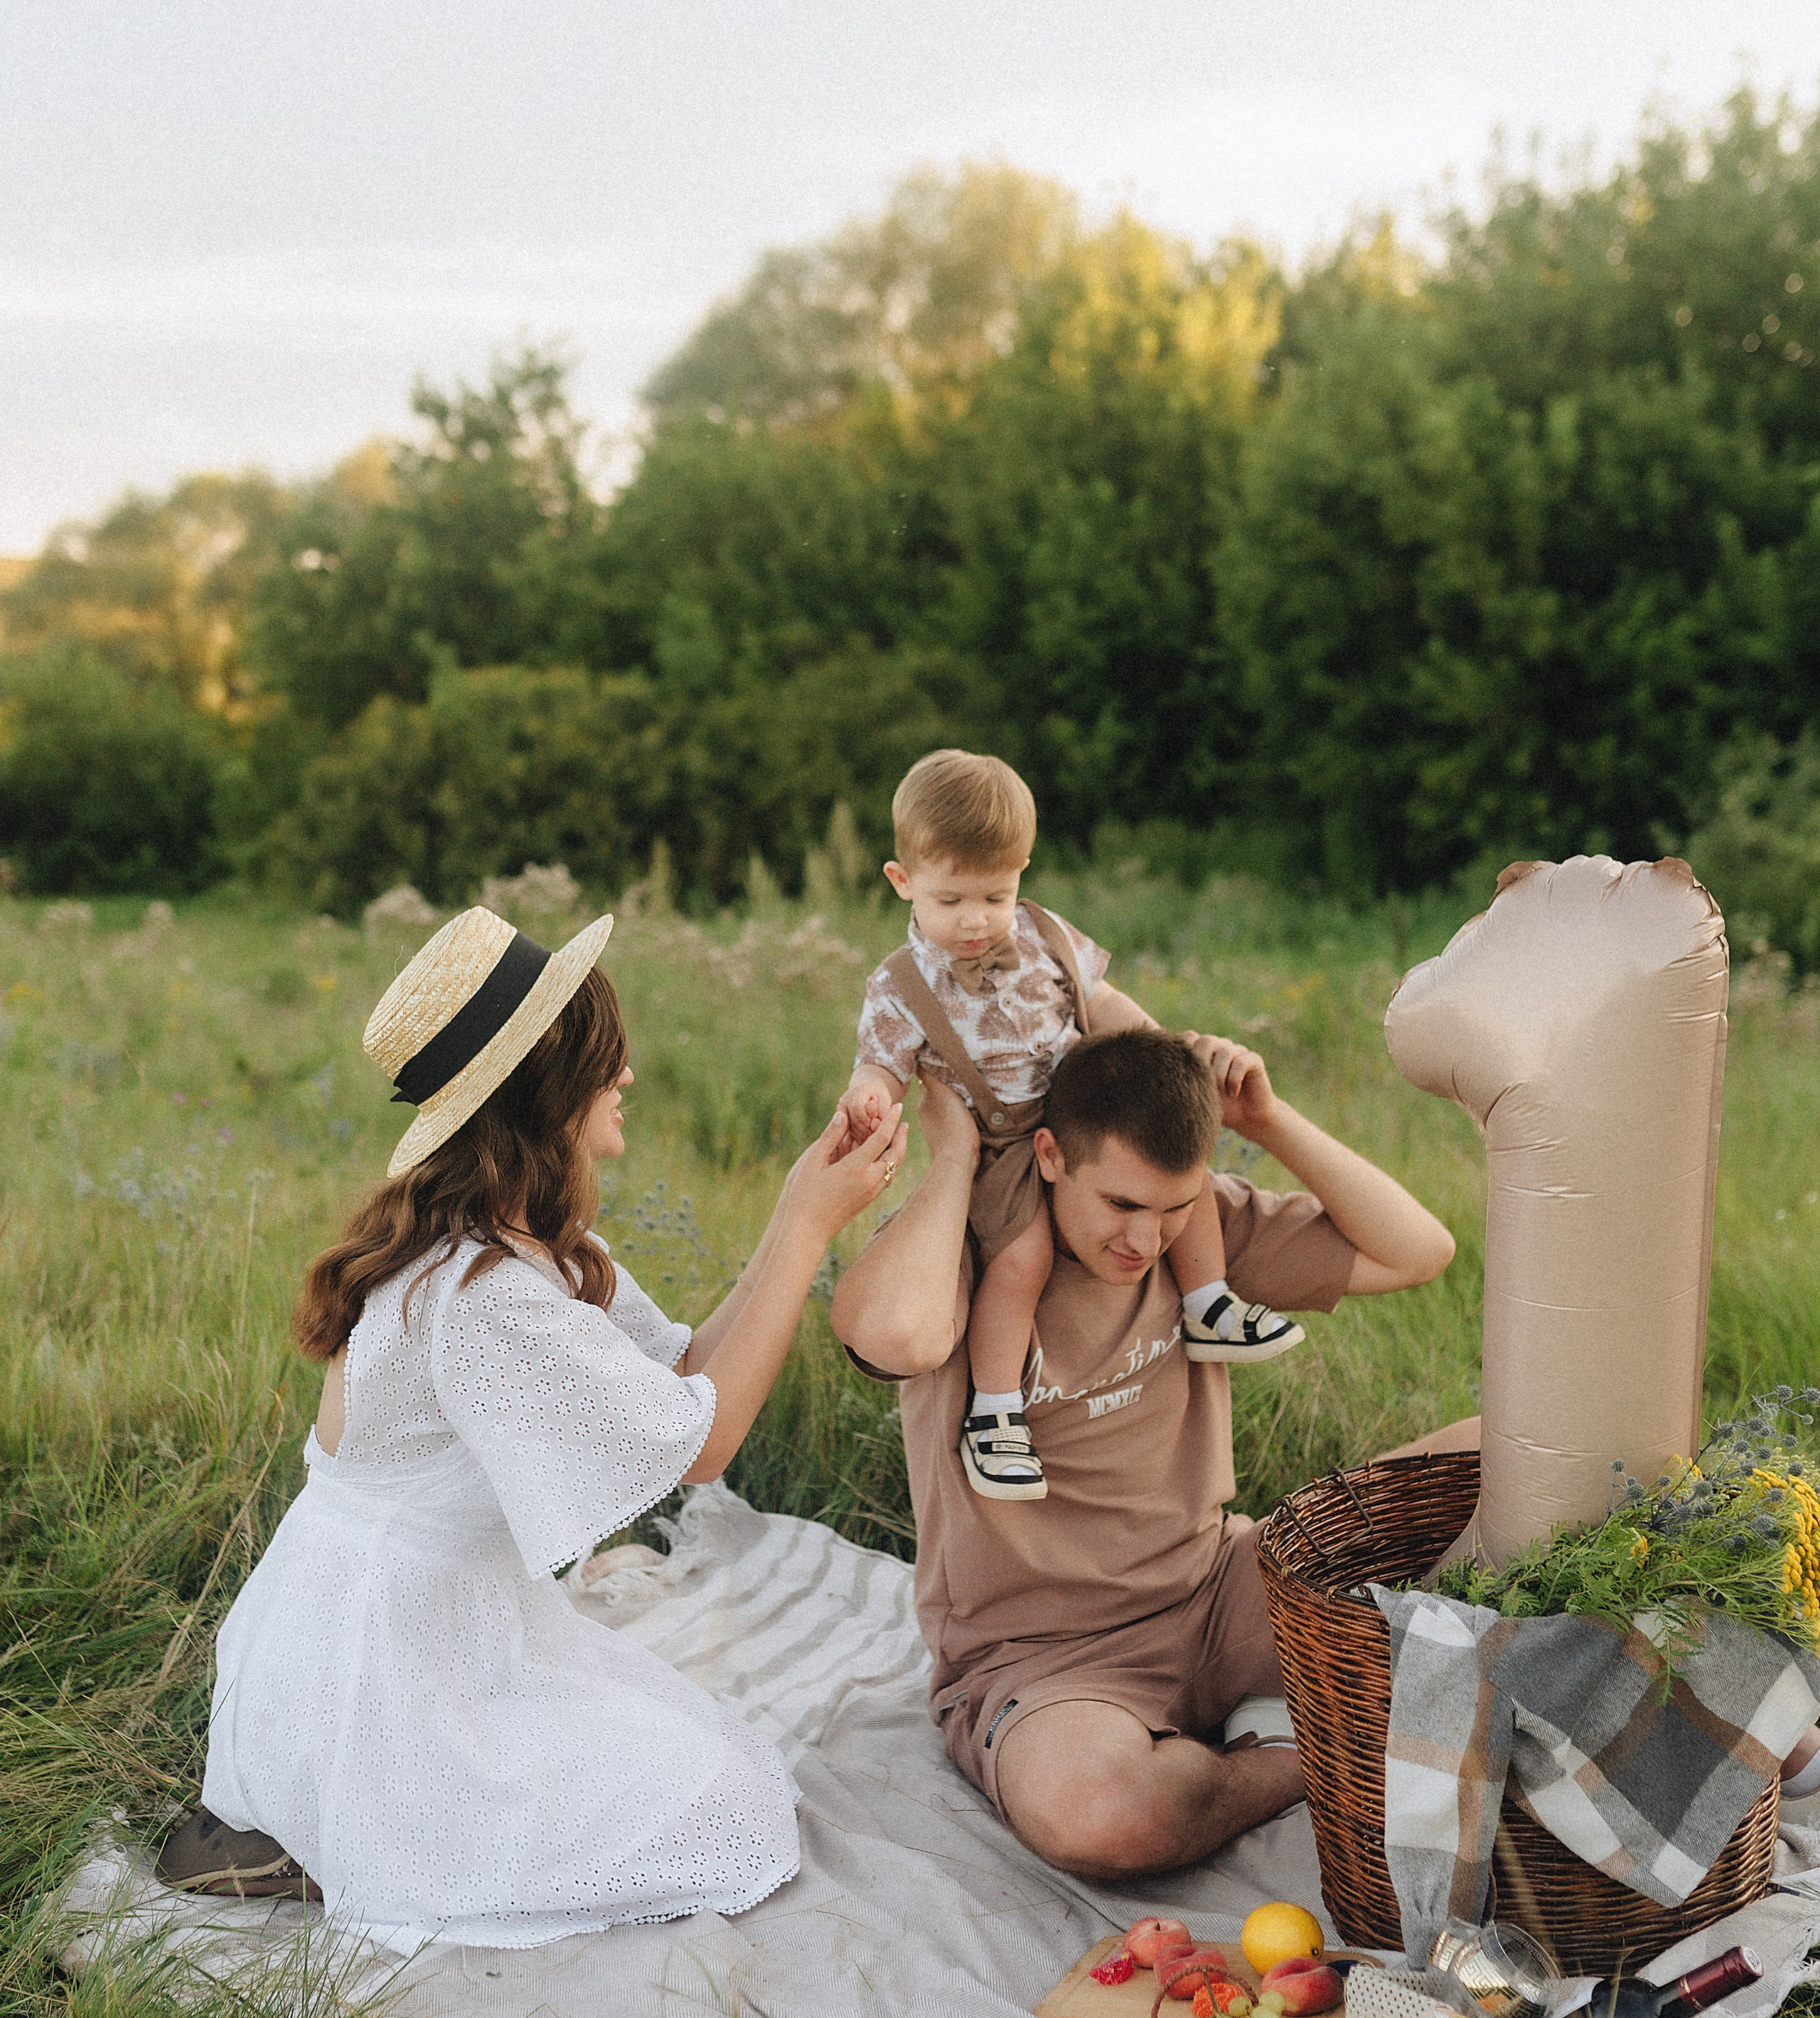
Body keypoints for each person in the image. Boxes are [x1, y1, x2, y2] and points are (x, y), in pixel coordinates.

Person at [156, 903, 906, 1947]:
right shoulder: (479, 1296)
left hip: (421, 1623)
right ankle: (322, 1831)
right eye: (607, 1058)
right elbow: (704, 1446)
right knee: (727, 1812)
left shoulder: (515, 1242)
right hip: (373, 1667)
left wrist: (792, 1209)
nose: (630, 1077)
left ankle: (316, 1819)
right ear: (545, 1092)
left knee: (706, 1757)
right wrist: (813, 1229)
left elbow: (681, 1369)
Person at [830, 1024, 1455, 1881]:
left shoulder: (1197, 1228)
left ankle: (1282, 1708)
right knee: (1102, 1816)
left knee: (1499, 1455)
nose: (1145, 1241)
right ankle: (1288, 1753)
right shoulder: (966, 1253)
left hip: (1221, 1586)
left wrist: (1268, 1122)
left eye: (1172, 1209)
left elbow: (1419, 1251)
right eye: (1121, 1206)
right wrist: (955, 1157)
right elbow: (891, 1333)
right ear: (1048, 1155)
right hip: (1047, 1660)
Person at [840, 751, 1301, 1506]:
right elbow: (882, 1063)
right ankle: (996, 1411)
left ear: (1022, 873)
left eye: (995, 894)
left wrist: (1167, 1049)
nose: (975, 919)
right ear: (903, 882)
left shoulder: (1046, 935)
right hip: (998, 1146)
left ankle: (1208, 1302)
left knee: (1176, 1183)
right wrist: (868, 1095)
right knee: (1020, 1258)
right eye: (951, 898)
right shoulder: (899, 986)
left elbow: (1105, 999)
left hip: (1080, 1114)